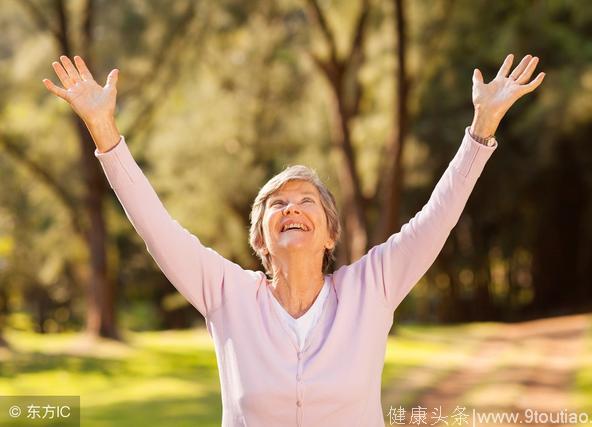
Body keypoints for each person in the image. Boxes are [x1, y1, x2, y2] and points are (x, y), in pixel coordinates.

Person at [43, 53, 544, 426]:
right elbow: (155, 224)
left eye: (307, 201)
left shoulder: (371, 288)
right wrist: (103, 129)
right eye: (276, 204)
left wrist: (481, 130)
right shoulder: (227, 294)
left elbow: (436, 218)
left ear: (330, 234)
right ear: (260, 239)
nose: (292, 208)